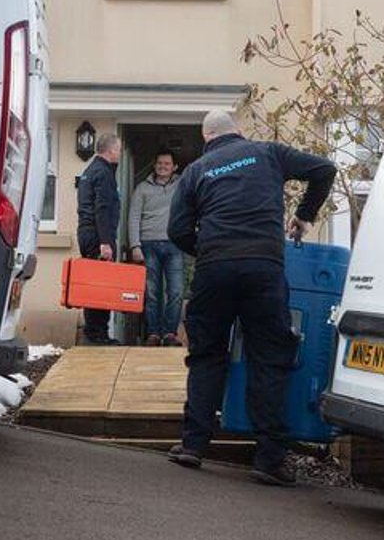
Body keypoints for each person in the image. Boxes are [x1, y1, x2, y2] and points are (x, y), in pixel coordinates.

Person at [165, 110, 336, 486]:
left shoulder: (196, 171)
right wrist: (304, 215)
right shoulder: (268, 153)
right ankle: (269, 459)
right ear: (238, 132)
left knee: (207, 354)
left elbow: (176, 230)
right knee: (269, 356)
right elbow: (325, 169)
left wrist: (209, 249)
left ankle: (193, 445)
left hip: (214, 270)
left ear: (206, 137)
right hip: (264, 267)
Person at [126, 150, 184, 346]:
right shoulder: (142, 188)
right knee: (151, 293)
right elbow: (134, 217)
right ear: (154, 165)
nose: (162, 167)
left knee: (176, 292)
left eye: (167, 164)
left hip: (174, 245)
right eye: (159, 163)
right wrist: (135, 245)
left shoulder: (182, 185)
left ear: (175, 167)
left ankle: (170, 334)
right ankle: (153, 333)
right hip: (148, 244)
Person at [74, 132, 122, 345]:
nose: (119, 154)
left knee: (93, 284)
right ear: (110, 150)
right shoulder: (103, 173)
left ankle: (94, 331)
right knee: (102, 285)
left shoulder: (89, 171)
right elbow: (102, 208)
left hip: (86, 233)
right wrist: (105, 242)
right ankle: (98, 334)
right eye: (118, 149)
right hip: (97, 235)